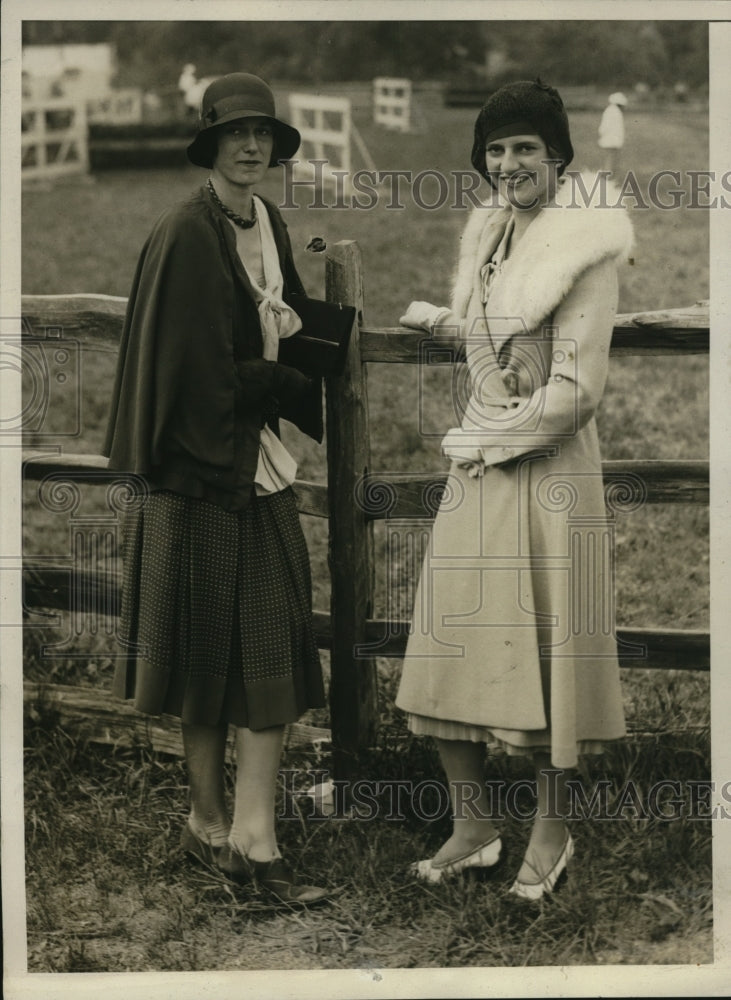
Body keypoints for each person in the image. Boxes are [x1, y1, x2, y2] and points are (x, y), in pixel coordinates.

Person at [395, 80, 632, 900]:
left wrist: (487, 441)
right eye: (495, 150)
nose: (508, 164)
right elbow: (496, 333)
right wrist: (440, 320)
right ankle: (471, 827)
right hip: (481, 463)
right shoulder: (493, 230)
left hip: (547, 470)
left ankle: (550, 833)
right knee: (450, 638)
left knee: (547, 651)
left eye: (524, 147)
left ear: (558, 154)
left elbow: (575, 390)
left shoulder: (587, 245)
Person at [104, 73, 328, 905]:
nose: (251, 147)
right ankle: (221, 831)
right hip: (195, 474)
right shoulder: (186, 235)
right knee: (210, 653)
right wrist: (269, 385)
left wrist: (309, 367)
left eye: (263, 134)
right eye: (236, 134)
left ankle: (242, 834)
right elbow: (188, 377)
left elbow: (288, 321)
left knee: (264, 638)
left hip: (252, 465)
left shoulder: (266, 220)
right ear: (210, 145)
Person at [597, 91, 628, 177]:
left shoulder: (613, 110)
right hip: (610, 141)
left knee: (611, 161)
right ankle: (607, 179)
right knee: (609, 162)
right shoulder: (612, 111)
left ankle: (608, 178)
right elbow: (604, 127)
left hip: (612, 141)